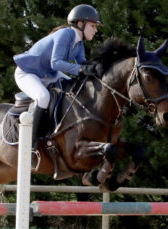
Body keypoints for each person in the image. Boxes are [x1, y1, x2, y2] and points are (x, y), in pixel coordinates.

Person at [13, 4, 103, 150]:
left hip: (48, 74)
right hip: (27, 72)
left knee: (74, 89)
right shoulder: (65, 34)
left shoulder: (79, 44)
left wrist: (98, 69)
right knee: (43, 97)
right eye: (93, 26)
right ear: (80, 24)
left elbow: (83, 64)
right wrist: (81, 69)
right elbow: (56, 63)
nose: (96, 30)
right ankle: (30, 142)